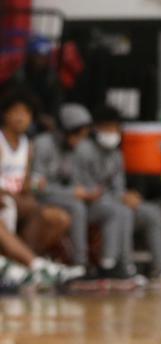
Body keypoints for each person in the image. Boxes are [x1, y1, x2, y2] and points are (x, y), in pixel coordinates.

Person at [75, 104, 161, 287]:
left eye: (115, 128)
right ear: (96, 129)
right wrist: (119, 198)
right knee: (122, 210)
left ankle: (160, 270)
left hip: (113, 202)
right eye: (107, 128)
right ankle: (122, 267)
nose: (112, 132)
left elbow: (118, 187)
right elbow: (85, 189)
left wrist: (126, 196)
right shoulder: (83, 150)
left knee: (152, 212)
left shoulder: (117, 154)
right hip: (91, 206)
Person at [32, 104, 129, 276]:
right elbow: (37, 186)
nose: (80, 141)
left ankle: (109, 265)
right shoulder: (43, 144)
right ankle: (80, 265)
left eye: (83, 136)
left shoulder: (73, 149)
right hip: (42, 199)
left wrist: (88, 192)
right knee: (77, 206)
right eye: (77, 135)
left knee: (112, 211)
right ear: (65, 130)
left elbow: (74, 183)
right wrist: (73, 193)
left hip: (69, 198)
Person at [0, 88, 72, 257]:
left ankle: (25, 260)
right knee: (8, 206)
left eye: (26, 113)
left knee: (59, 218)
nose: (21, 117)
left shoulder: (28, 145)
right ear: (5, 114)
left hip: (19, 199)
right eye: (16, 112)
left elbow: (24, 184)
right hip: (5, 198)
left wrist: (34, 185)